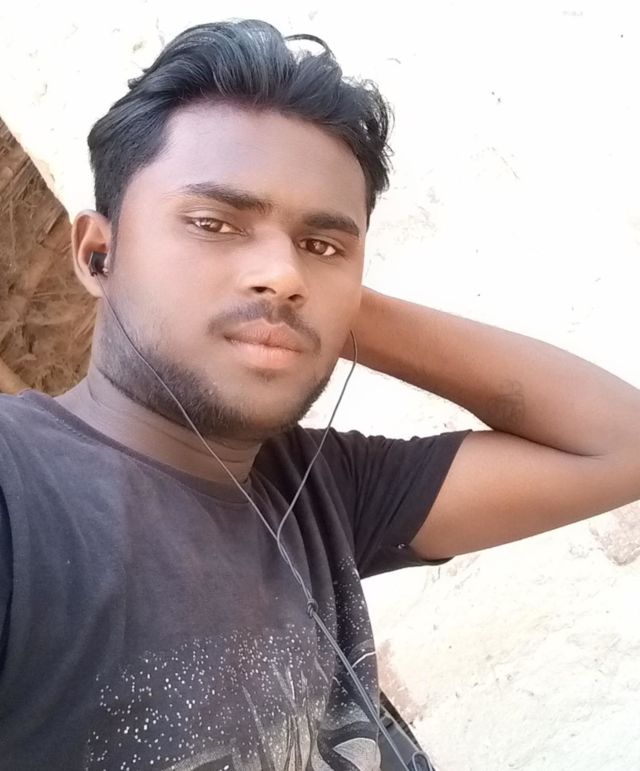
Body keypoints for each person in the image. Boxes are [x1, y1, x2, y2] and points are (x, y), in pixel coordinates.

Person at [1, 18, 638, 771]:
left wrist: (310, 302)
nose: (284, 273)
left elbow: (619, 446)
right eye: (214, 223)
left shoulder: (319, 488)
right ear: (99, 253)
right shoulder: (21, 489)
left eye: (323, 244)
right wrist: (292, 287)